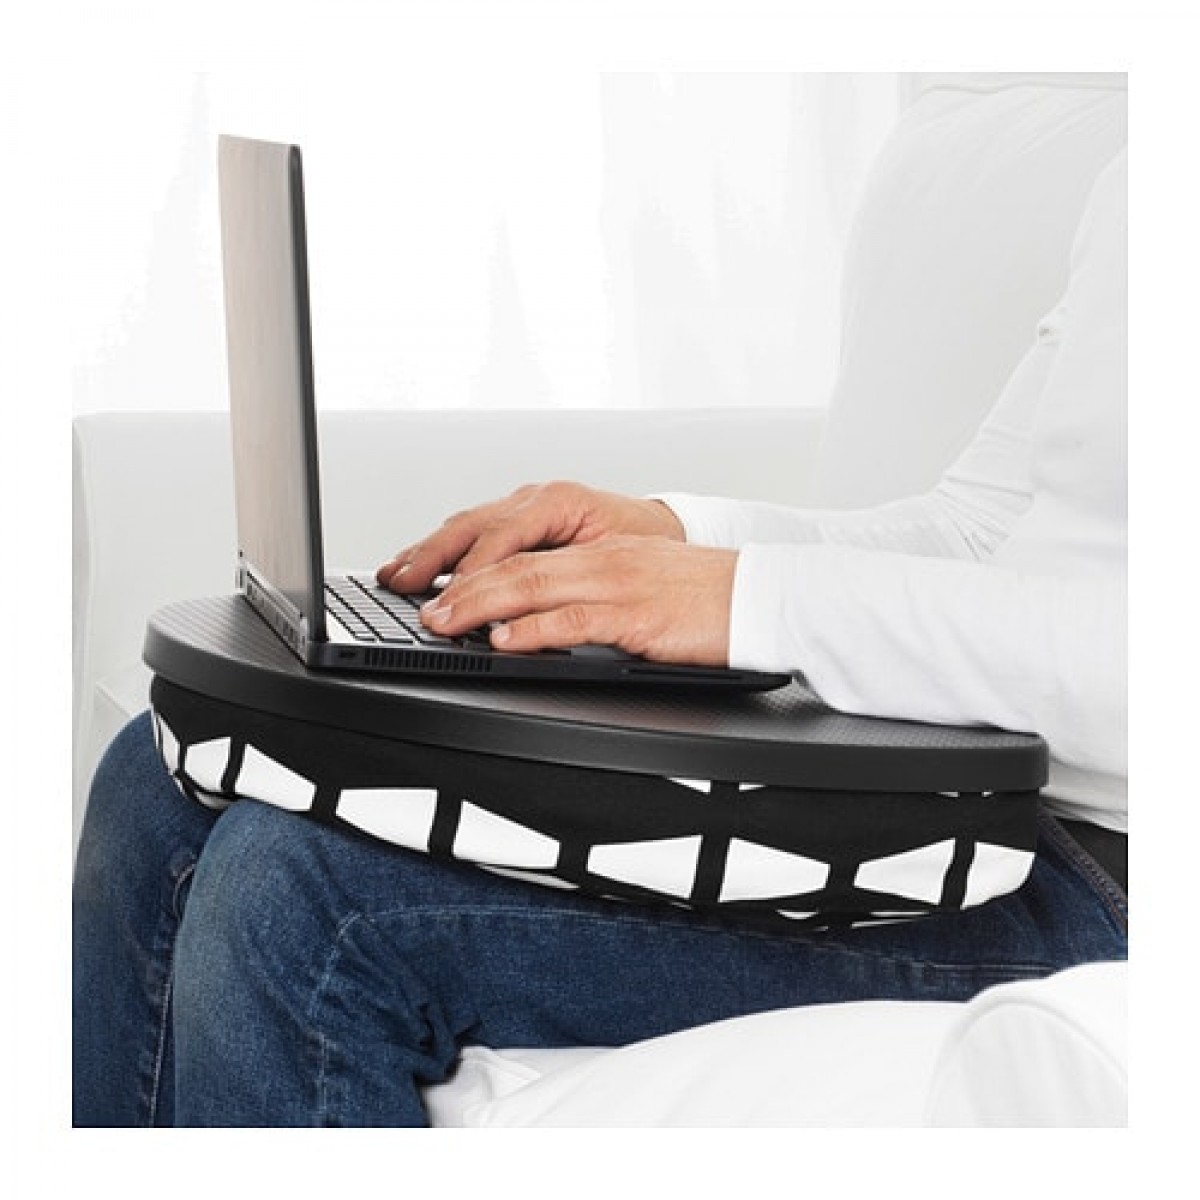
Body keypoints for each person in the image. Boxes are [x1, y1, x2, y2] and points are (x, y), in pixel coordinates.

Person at [72, 150, 1127, 1127]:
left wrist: (749, 600)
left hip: (1107, 882)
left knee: (297, 895)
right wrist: (678, 538)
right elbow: (983, 529)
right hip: (984, 787)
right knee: (157, 779)